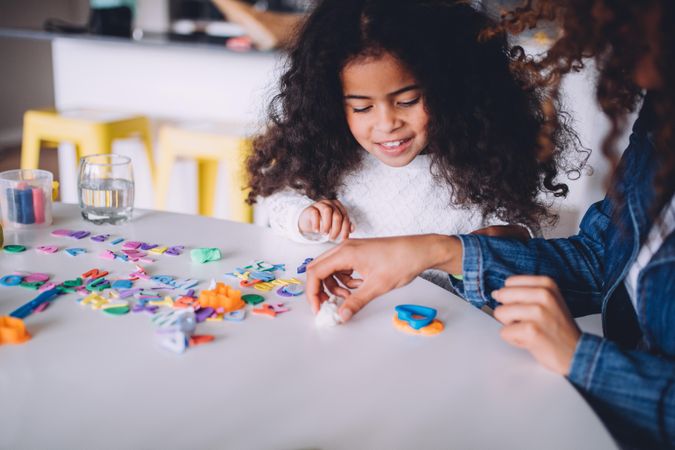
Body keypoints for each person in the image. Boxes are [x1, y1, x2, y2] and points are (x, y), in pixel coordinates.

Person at [305, 1, 675, 448]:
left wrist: (581, 358)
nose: (614, 53)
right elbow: (601, 259)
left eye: (631, 30)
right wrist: (438, 249)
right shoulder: (663, 116)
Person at [247, 0, 584, 290]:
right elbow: (277, 206)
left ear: (448, 88)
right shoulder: (333, 158)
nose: (387, 123)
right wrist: (305, 217)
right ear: (332, 104)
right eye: (362, 107)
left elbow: (522, 240)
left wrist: (491, 240)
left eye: (407, 101)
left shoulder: (477, 163)